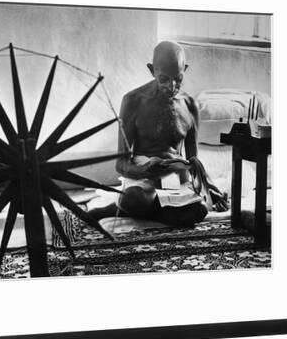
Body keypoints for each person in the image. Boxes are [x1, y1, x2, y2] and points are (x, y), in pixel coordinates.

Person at [90, 41, 228, 226]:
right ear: (151, 70)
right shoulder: (133, 101)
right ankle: (139, 208)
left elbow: (194, 160)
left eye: (178, 79)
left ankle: (126, 210)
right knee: (134, 198)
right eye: (164, 78)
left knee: (201, 209)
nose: (171, 86)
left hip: (176, 183)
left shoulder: (190, 105)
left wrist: (208, 186)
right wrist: (143, 170)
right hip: (144, 181)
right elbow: (121, 163)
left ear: (184, 70)